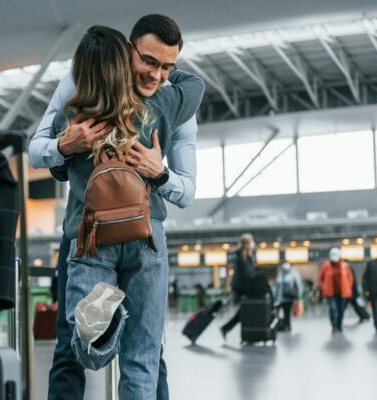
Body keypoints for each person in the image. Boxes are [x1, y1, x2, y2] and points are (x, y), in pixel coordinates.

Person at [30, 14, 200, 400]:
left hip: (89, 235)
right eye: (149, 62)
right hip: (144, 234)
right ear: (127, 53)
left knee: (80, 345)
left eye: (166, 66)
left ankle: (110, 320)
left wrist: (160, 172)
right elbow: (197, 84)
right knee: (144, 353)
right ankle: (123, 320)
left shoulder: (73, 115)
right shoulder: (161, 107)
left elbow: (50, 166)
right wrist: (63, 147)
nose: (157, 74)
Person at [219, 233, 272, 339]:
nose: (252, 244)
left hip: (245, 288)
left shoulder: (246, 256)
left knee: (243, 312)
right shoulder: (241, 258)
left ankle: (226, 328)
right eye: (251, 241)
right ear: (247, 243)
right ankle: (226, 328)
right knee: (245, 311)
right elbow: (246, 275)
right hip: (242, 289)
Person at [318, 247, 354, 335]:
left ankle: (339, 325)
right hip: (330, 293)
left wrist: (348, 288)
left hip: (342, 293)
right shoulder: (325, 266)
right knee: (333, 309)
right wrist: (324, 287)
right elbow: (320, 278)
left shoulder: (345, 266)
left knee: (341, 310)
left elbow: (350, 278)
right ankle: (334, 327)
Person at [274, 262, 303, 332]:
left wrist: (298, 295)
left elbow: (298, 285)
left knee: (287, 313)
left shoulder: (294, 274)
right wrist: (275, 297)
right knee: (277, 312)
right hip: (279, 298)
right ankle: (280, 325)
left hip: (288, 298)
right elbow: (277, 287)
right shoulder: (280, 274)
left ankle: (287, 325)